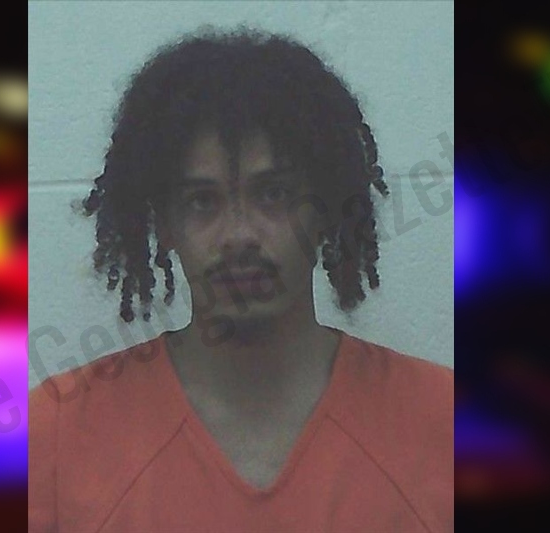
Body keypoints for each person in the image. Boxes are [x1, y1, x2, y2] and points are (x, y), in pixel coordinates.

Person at [29, 27, 452, 532]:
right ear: (164, 225)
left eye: (272, 195)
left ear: (324, 212)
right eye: (202, 201)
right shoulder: (55, 435)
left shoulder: (444, 422)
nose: (239, 235)